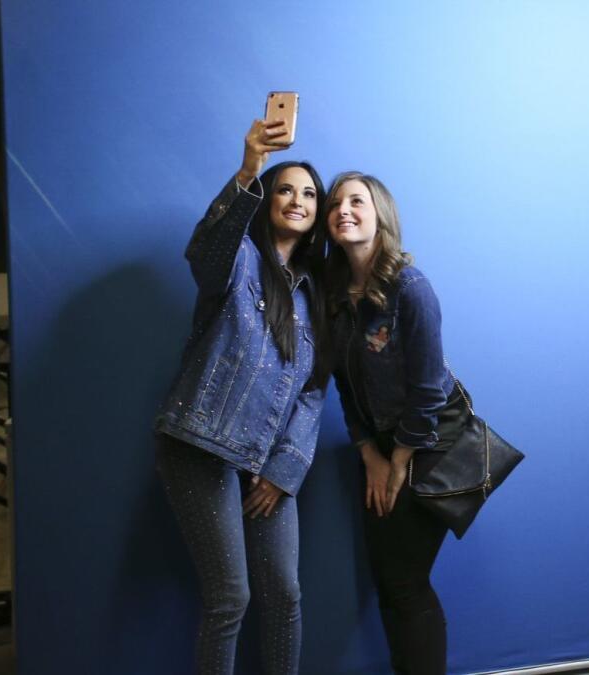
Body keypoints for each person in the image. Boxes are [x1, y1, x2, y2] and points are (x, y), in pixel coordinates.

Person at [153, 118, 330, 675]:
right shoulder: (240, 261)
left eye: (308, 194)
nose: (297, 200)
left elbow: (312, 391)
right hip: (200, 443)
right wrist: (251, 166)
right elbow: (204, 249)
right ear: (268, 200)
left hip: (268, 463)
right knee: (231, 599)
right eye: (285, 189)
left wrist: (285, 467)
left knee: (285, 595)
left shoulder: (314, 295)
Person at [325, 172, 468, 675]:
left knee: (405, 583)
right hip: (380, 450)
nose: (344, 209)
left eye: (356, 201)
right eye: (336, 203)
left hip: (425, 447)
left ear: (380, 213)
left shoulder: (411, 288)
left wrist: (399, 459)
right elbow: (343, 385)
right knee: (391, 582)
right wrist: (368, 454)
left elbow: (429, 386)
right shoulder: (338, 299)